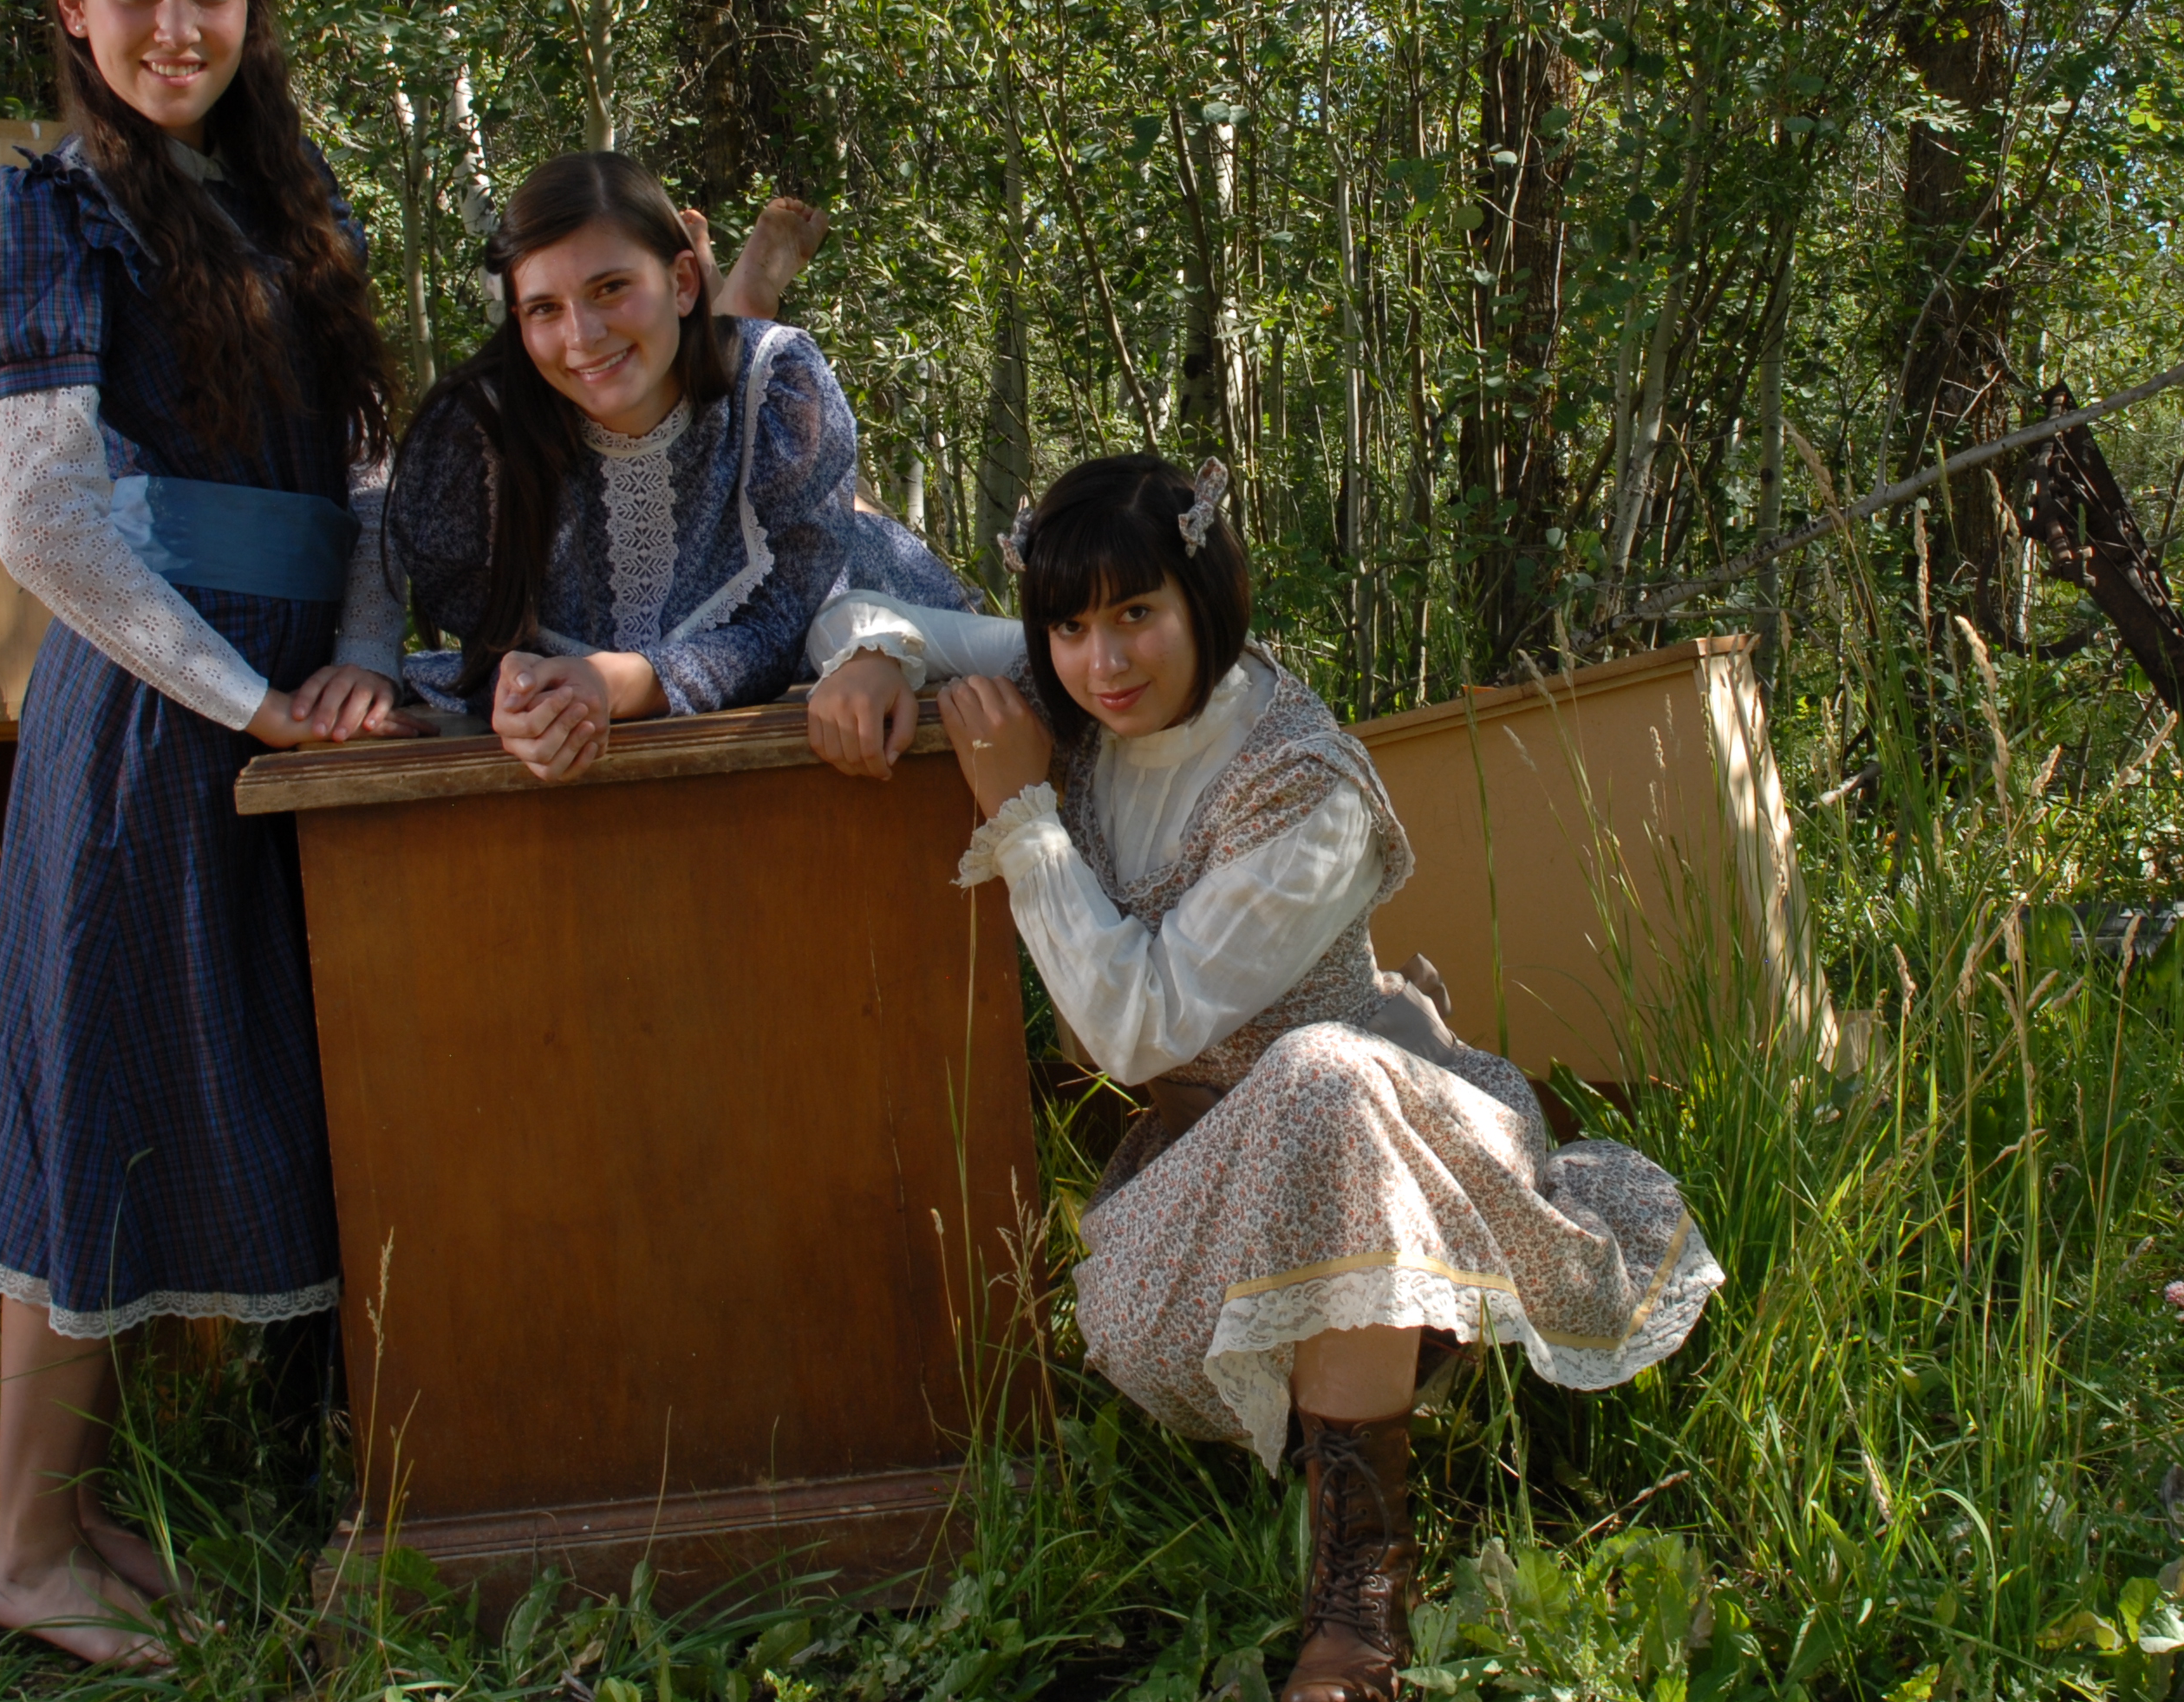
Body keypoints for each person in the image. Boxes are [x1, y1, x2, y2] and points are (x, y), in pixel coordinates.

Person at [801, 455, 1721, 1702]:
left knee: (1319, 1080)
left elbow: (1138, 1026)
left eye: (1138, 615)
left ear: (1206, 597)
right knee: (1253, 1149)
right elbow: (860, 605)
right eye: (1069, 626)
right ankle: (1306, 1400)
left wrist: (1025, 816)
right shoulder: (1079, 699)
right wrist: (872, 662)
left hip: (1385, 1125)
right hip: (1196, 1151)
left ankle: (1360, 1598)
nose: (1102, 661)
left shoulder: (1307, 785)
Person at [0, 0, 413, 1661]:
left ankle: (85, 1519)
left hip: (306, 708)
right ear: (72, 11)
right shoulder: (53, 214)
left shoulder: (292, 216)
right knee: (101, 1101)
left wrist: (368, 659)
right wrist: (248, 697)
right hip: (158, 717)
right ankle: (24, 1545)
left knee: (268, 1074)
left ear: (251, 10)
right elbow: (47, 525)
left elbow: (368, 488)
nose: (177, 26)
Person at [360, 151, 968, 779]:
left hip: (852, 615)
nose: (581, 335)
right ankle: (743, 292)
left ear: (680, 283)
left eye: (610, 288)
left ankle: (744, 296)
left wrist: (618, 684)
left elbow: (783, 624)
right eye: (544, 308)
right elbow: (486, 650)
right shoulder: (473, 437)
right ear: (517, 319)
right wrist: (520, 698)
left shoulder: (781, 388)